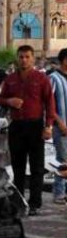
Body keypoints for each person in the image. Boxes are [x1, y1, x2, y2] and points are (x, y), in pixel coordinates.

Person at [0, 45, 61, 215]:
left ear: (33, 58)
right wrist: (10, 101)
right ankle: (18, 203)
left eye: (27, 56)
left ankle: (35, 204)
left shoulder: (41, 78)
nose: (23, 60)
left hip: (35, 126)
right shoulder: (10, 79)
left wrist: (48, 126)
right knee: (17, 168)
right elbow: (0, 99)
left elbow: (50, 103)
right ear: (17, 59)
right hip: (16, 126)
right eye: (21, 57)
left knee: (37, 168)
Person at [50, 49, 67, 204]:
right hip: (61, 126)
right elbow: (49, 104)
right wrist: (59, 122)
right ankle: (59, 193)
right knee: (62, 159)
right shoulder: (54, 78)